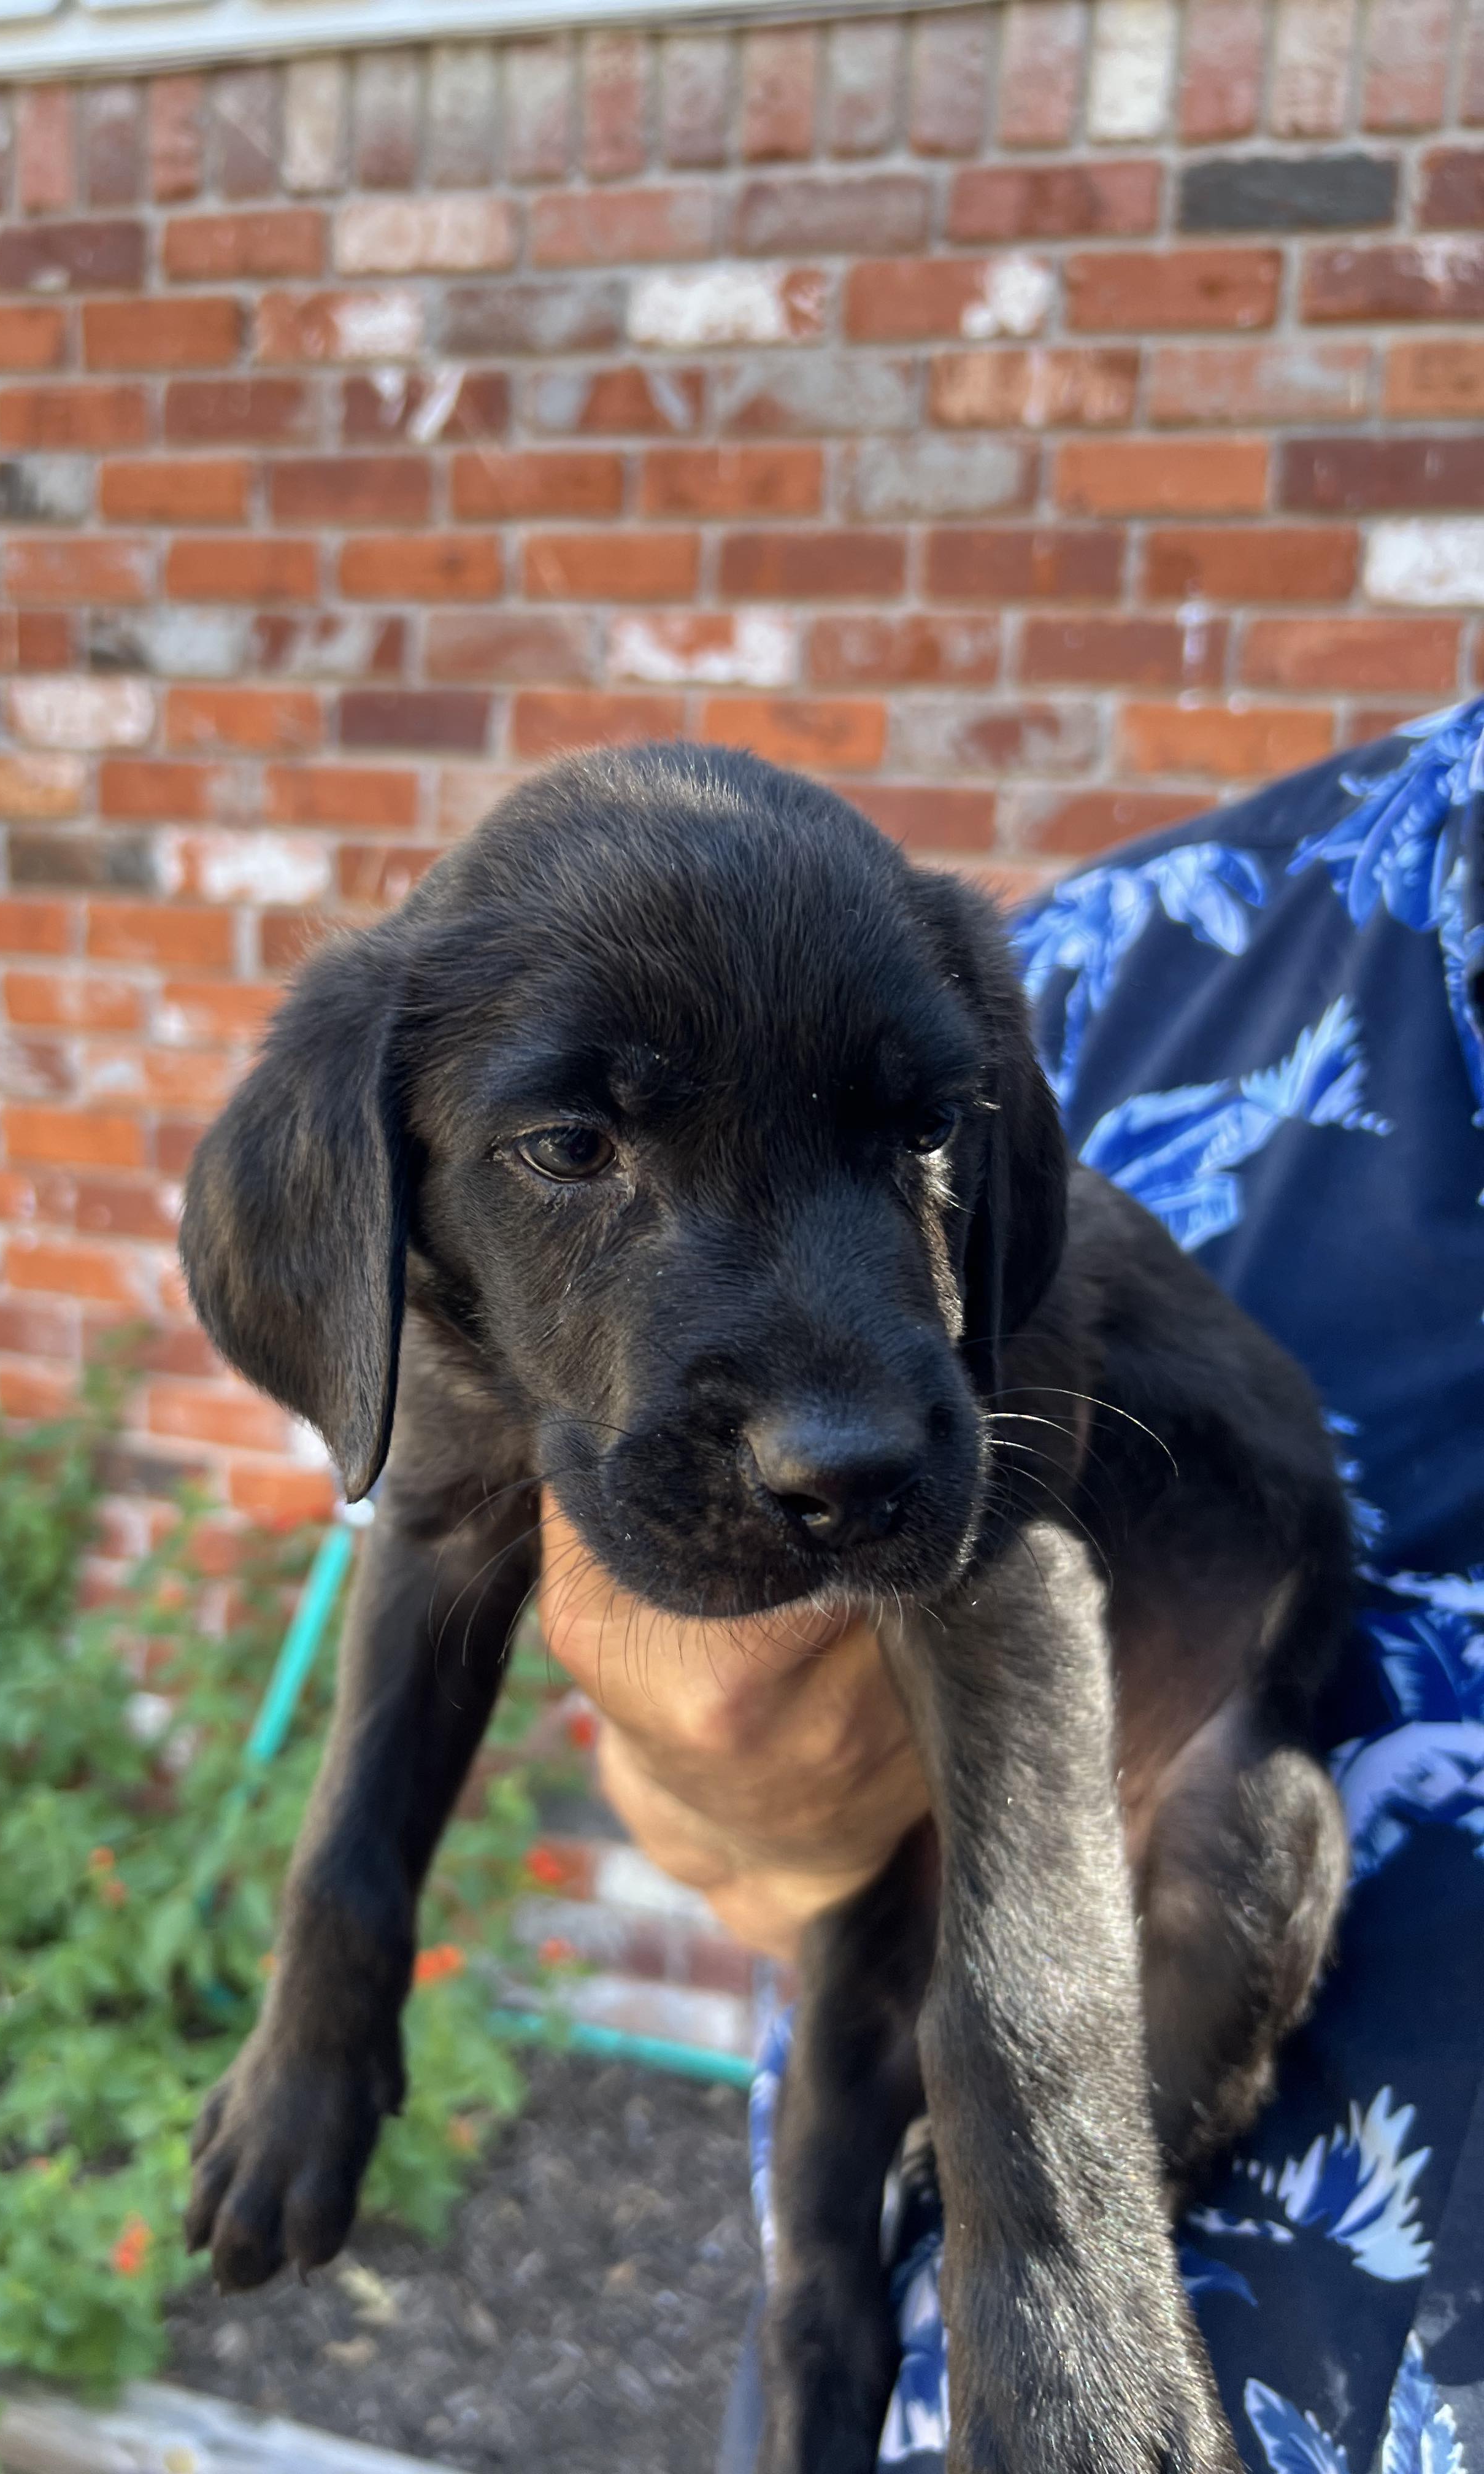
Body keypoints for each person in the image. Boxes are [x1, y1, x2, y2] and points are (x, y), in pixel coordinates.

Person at [537, 702, 1484, 2473]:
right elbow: (757, 1803)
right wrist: (735, 1797)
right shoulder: (1096, 967)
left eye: (907, 1147)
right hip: (916, 2306)